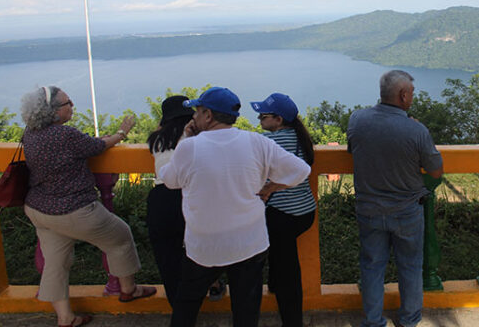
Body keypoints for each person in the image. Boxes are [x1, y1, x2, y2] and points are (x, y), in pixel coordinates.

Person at [159, 87, 311, 327]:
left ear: (208, 115)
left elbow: (169, 180)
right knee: (246, 308)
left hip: (205, 245)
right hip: (249, 242)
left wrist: (185, 139)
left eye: (197, 112)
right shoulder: (256, 142)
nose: (194, 118)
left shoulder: (190, 147)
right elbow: (301, 171)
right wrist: (272, 188)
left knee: (187, 303)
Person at [20, 86, 156, 327]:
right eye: (67, 103)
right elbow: (98, 147)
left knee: (55, 263)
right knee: (120, 237)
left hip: (39, 210)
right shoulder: (64, 135)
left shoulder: (29, 134)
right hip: (73, 209)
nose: (72, 106)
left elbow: (84, 147)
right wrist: (122, 132)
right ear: (52, 111)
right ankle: (128, 289)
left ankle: (65, 318)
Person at [347, 70, 443, 327]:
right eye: (411, 92)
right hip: (407, 210)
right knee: (410, 267)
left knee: (372, 267)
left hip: (369, 208)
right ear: (403, 96)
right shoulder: (416, 130)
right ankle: (409, 320)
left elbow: (353, 150)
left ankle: (373, 321)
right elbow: (435, 170)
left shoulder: (357, 119)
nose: (412, 97)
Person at [250, 92, 317, 327]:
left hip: (282, 216)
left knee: (287, 264)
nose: (259, 119)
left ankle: (292, 319)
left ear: (277, 120)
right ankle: (275, 283)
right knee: (280, 253)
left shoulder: (270, 143)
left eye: (262, 115)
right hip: (306, 212)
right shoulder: (302, 139)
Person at [145, 95, 195, 307]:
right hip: (188, 195)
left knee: (167, 256)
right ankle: (209, 286)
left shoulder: (157, 139)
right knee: (197, 248)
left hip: (161, 197)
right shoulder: (194, 138)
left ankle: (178, 306)